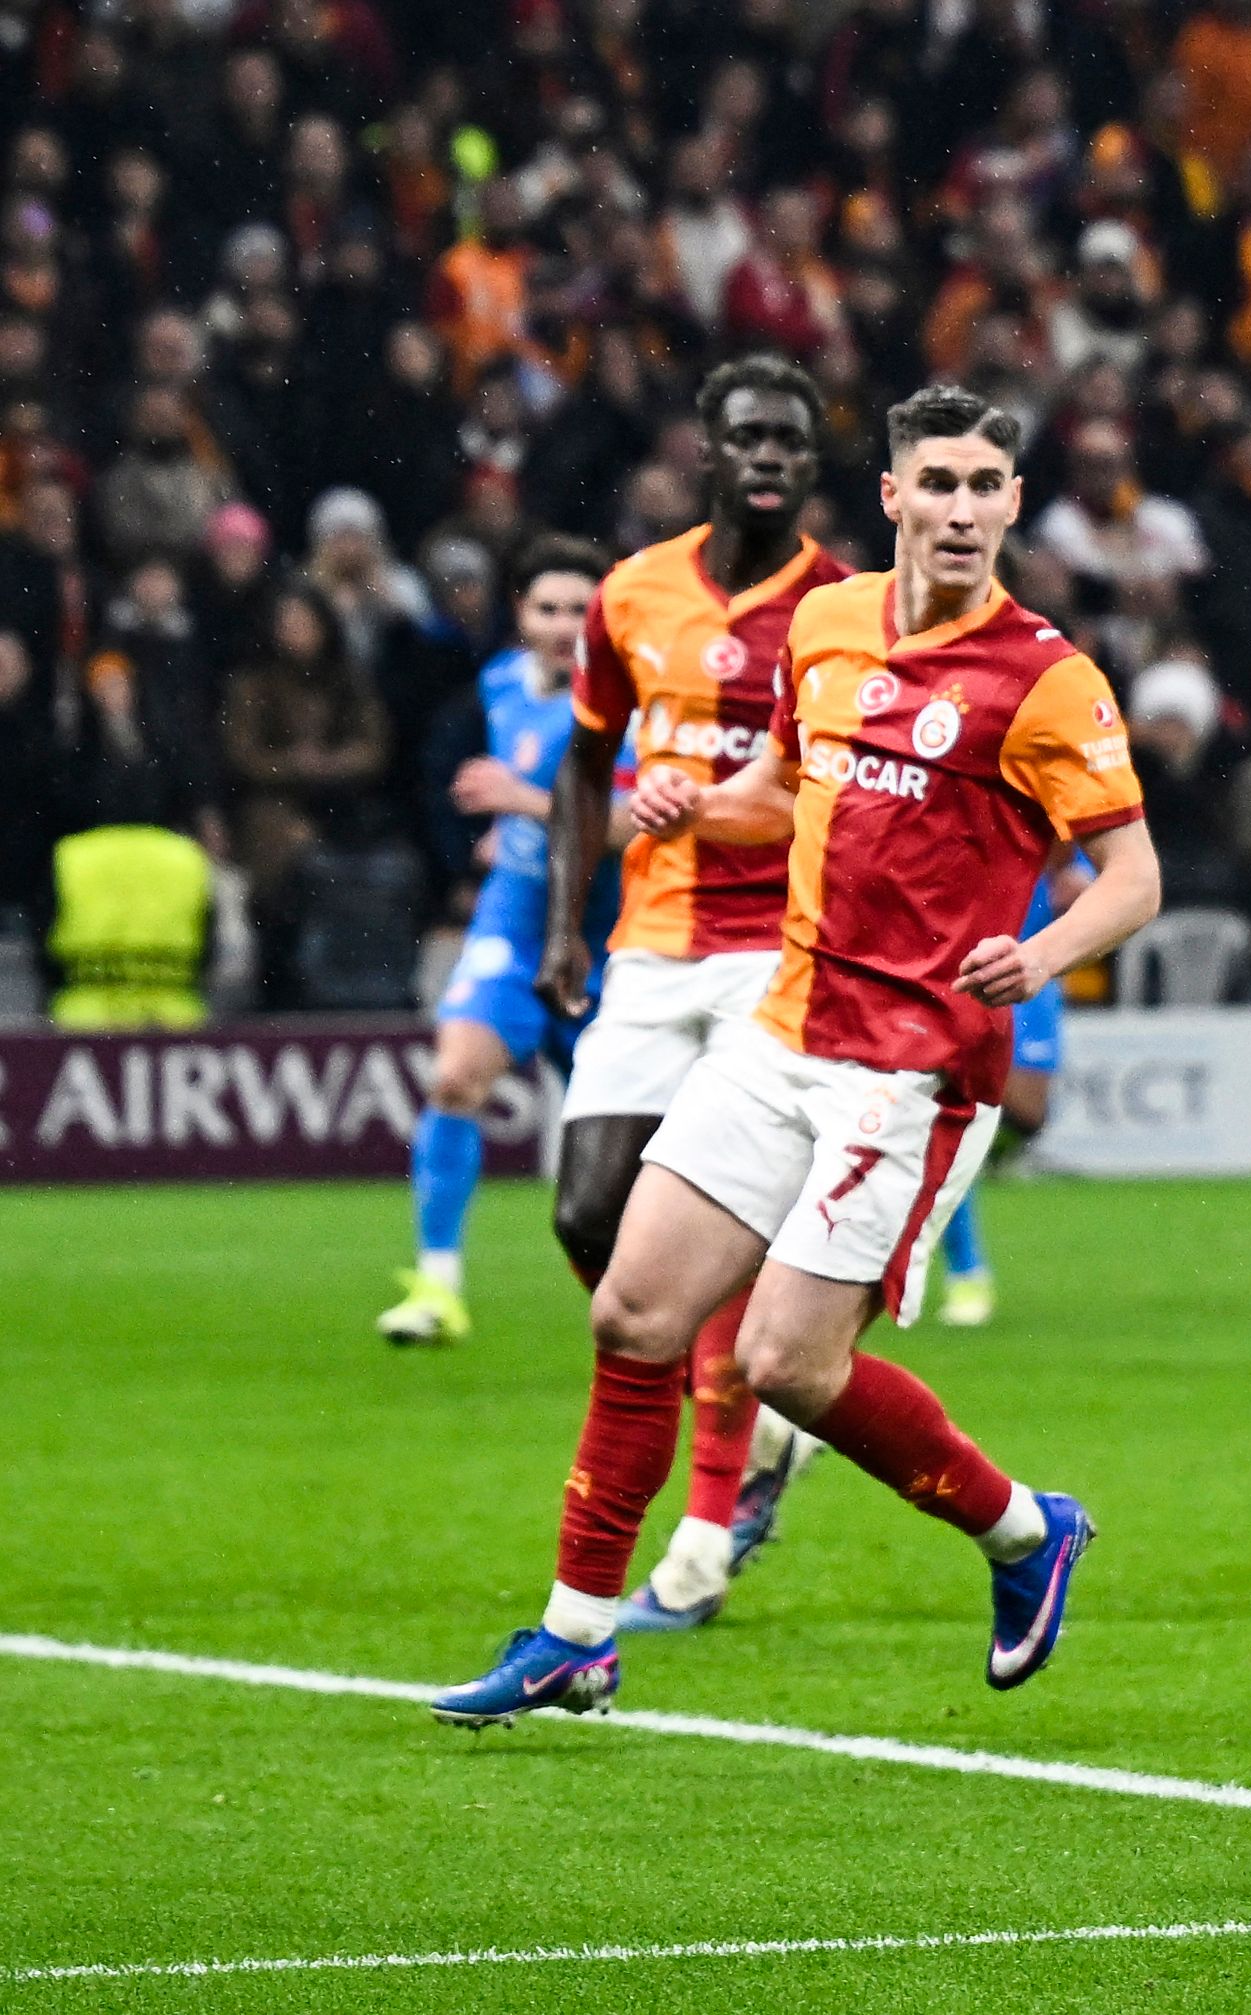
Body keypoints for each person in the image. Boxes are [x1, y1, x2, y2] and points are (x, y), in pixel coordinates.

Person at [430, 385, 1160, 1726]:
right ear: (889, 497)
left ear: (1010, 505)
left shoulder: (1046, 676)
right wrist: (688, 803)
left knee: (786, 1365)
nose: (957, 507)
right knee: (633, 1310)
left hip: (916, 1070)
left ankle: (1020, 1529)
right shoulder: (824, 622)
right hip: (784, 1022)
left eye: (982, 486)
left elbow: (1131, 874)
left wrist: (1044, 955)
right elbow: (782, 787)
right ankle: (577, 1634)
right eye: (933, 481)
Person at [534, 355, 853, 1633]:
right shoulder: (632, 593)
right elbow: (584, 761)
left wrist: (715, 804)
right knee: (585, 1217)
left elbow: (838, 787)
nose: (768, 457)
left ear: (810, 465)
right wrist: (568, 918)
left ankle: (708, 1531)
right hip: (652, 945)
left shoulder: (841, 605)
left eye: (789, 440)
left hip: (778, 954)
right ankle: (754, 1426)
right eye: (747, 438)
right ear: (705, 453)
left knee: (699, 1251)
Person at [377, 538, 612, 1345]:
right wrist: (508, 838)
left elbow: (636, 824)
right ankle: (437, 1287)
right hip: (513, 927)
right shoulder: (500, 684)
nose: (561, 624)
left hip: (607, 945)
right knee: (454, 1078)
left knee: (627, 1159)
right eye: (546, 608)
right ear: (521, 613)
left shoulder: (636, 702)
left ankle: (677, 1312)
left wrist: (524, 803)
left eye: (579, 610)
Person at [933, 864, 1079, 1328]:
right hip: (958, 964)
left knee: (1028, 1113)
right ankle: (967, 1272)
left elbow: (1079, 847)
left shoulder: (1044, 798)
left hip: (1031, 961)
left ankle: (974, 1159)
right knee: (950, 1129)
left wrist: (1077, 878)